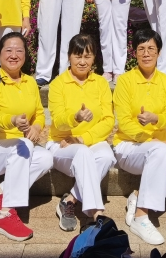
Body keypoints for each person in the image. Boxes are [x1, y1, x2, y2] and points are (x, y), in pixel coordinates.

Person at [0, 32, 54, 241]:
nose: (14, 55)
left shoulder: (30, 82)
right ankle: (6, 212)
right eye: (8, 50)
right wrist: (13, 120)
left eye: (19, 50)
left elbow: (39, 112)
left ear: (25, 55)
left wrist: (36, 127)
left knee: (46, 158)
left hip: (16, 149)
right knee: (23, 144)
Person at [113, 28, 166, 246]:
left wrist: (156, 119)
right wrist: (152, 139)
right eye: (141, 49)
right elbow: (124, 122)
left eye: (151, 49)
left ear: (159, 52)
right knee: (160, 149)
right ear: (134, 53)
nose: (146, 53)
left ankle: (138, 197)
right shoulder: (125, 81)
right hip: (128, 147)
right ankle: (141, 217)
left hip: (157, 147)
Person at [46, 34, 116, 230]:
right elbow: (58, 121)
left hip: (89, 141)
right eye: (78, 56)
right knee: (83, 153)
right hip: (61, 145)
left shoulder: (101, 83)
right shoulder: (58, 84)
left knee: (106, 156)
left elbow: (108, 120)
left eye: (88, 56)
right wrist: (75, 118)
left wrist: (83, 138)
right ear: (69, 56)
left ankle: (70, 200)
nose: (83, 61)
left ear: (94, 58)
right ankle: (96, 214)